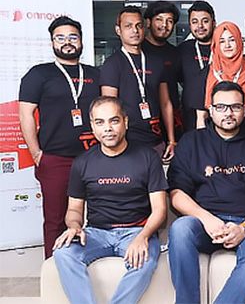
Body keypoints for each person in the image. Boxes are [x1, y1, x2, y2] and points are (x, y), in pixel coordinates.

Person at [167, 82, 245, 304]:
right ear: (210, 110)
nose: (228, 113)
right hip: (205, 223)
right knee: (180, 229)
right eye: (221, 107)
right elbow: (177, 194)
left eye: (235, 107)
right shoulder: (191, 142)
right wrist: (208, 220)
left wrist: (244, 228)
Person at [52, 96, 168, 304]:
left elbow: (160, 209)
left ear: (125, 122)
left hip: (136, 231)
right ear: (93, 127)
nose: (107, 128)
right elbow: (74, 210)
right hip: (96, 233)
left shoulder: (148, 157)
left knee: (146, 260)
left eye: (114, 121)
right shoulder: (82, 163)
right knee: (63, 253)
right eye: (100, 122)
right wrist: (74, 226)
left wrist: (143, 236)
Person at [18, 16, 100, 258]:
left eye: (72, 37)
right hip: (55, 158)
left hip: (94, 156)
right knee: (55, 218)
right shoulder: (39, 74)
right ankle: (54, 269)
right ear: (52, 42)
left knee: (99, 214)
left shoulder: (95, 74)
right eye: (60, 37)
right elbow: (26, 115)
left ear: (81, 40)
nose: (67, 42)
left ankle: (90, 262)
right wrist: (36, 153)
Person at [100, 6, 176, 161]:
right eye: (128, 26)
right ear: (118, 30)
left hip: (156, 141)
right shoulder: (112, 64)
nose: (134, 30)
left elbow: (166, 103)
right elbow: (109, 108)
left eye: (138, 26)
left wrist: (171, 140)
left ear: (144, 28)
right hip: (127, 143)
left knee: (159, 186)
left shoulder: (156, 62)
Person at [203, 21, 245, 133]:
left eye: (232, 40)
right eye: (222, 41)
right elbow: (202, 116)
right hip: (215, 137)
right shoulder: (207, 73)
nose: (227, 45)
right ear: (216, 45)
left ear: (239, 41)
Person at [142, 0, 184, 141]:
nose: (164, 25)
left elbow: (185, 82)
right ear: (148, 22)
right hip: (145, 122)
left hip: (173, 121)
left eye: (169, 21)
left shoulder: (176, 53)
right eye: (159, 20)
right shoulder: (138, 50)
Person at [176, 0, 216, 131]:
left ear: (214, 23)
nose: (200, 26)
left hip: (220, 117)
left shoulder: (224, 48)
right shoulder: (183, 50)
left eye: (205, 21)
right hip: (190, 118)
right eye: (195, 22)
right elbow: (181, 80)